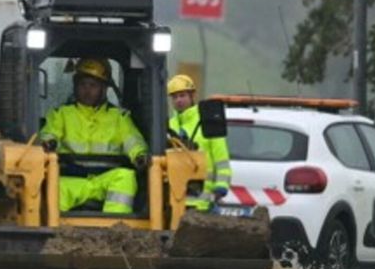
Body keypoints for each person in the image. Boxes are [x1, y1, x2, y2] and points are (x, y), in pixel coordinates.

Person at [40, 58, 148, 215]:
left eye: (93, 85)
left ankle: (116, 225)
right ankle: (55, 227)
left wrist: (139, 155)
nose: (87, 90)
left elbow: (132, 141)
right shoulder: (61, 114)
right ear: (75, 86)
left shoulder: (119, 117)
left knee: (126, 178)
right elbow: (49, 133)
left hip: (106, 179)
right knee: (53, 183)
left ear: (103, 88)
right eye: (83, 84)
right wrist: (48, 143)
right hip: (72, 179)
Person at [166, 73, 232, 212]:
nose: (178, 100)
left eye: (182, 95)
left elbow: (221, 158)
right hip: (175, 199)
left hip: (204, 199)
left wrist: (221, 186)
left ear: (192, 96)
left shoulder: (206, 121)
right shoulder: (169, 125)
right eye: (175, 97)